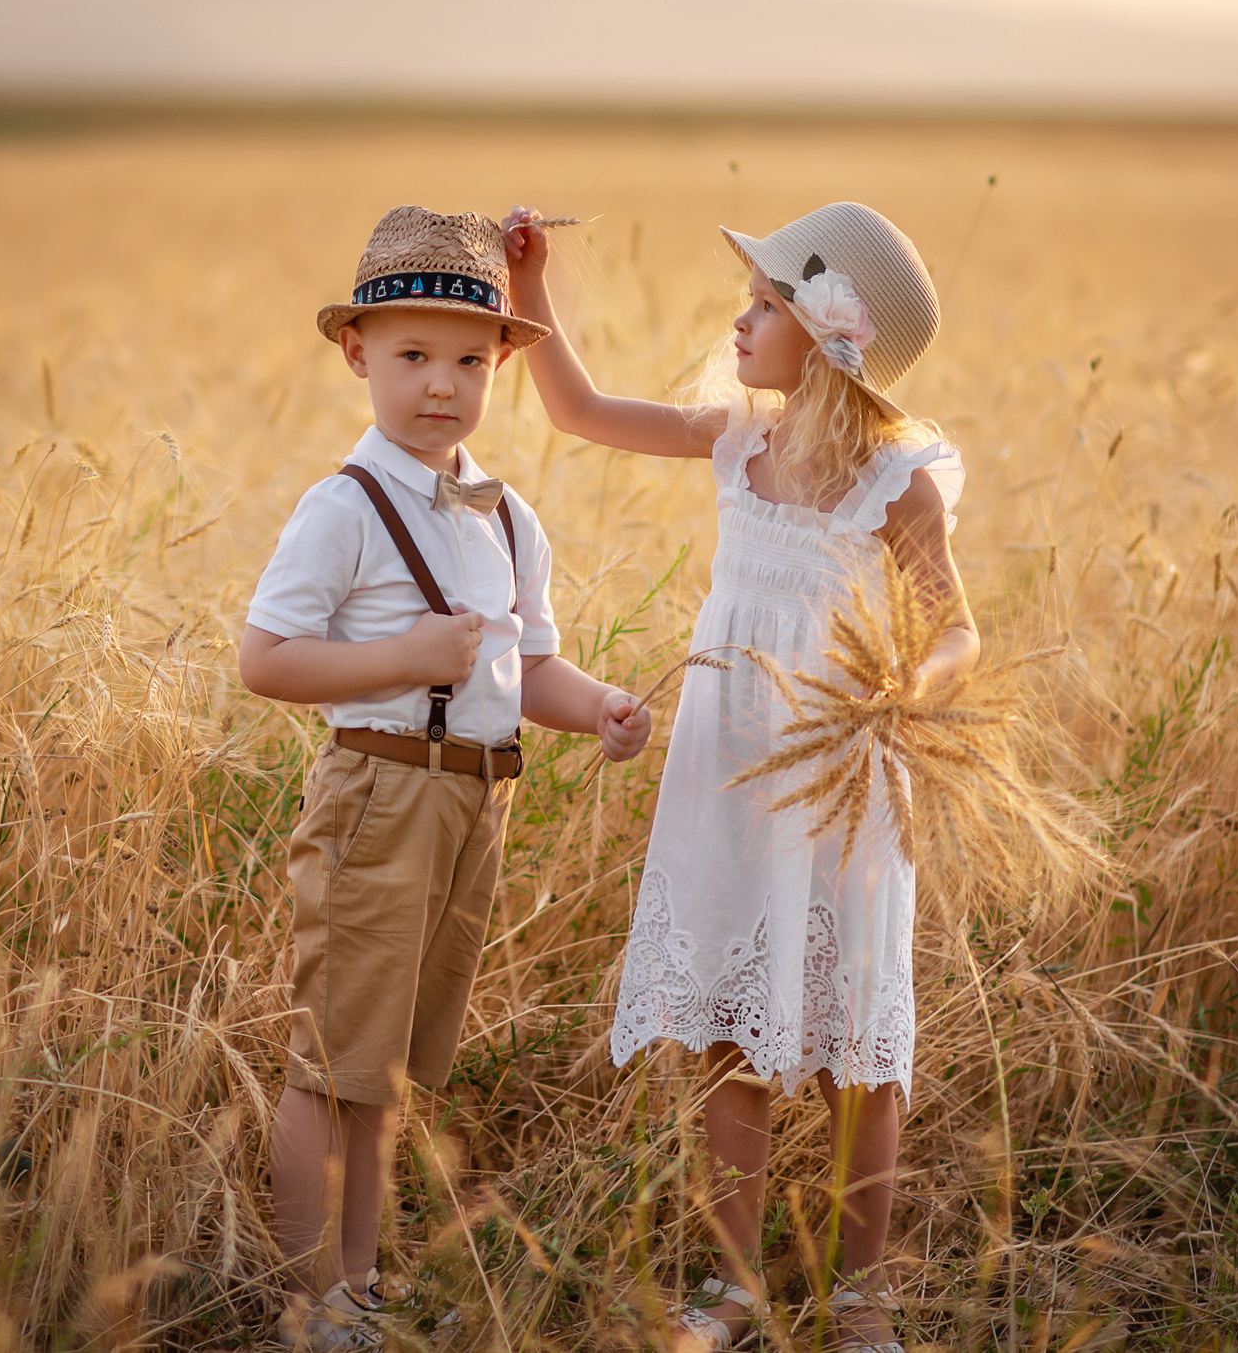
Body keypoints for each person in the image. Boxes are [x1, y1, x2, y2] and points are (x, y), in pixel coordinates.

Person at [503, 201, 976, 1353]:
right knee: (730, 1021)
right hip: (728, 767)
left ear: (827, 337)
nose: (739, 317)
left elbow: (958, 628)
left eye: (765, 304)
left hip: (837, 769)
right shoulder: (734, 441)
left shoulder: (895, 480)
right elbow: (576, 410)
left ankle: (860, 1293)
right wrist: (533, 284)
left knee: (853, 1032)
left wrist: (902, 688)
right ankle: (731, 1288)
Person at [240, 204, 656, 1352]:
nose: (441, 384)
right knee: (332, 1061)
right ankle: (309, 1297)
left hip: (474, 799)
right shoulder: (344, 506)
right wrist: (399, 658)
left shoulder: (509, 515)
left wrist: (601, 708)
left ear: (503, 365)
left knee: (390, 1070)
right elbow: (264, 658)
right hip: (378, 793)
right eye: (413, 355)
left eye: (470, 360)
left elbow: (526, 668)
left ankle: (359, 1285)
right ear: (357, 352)